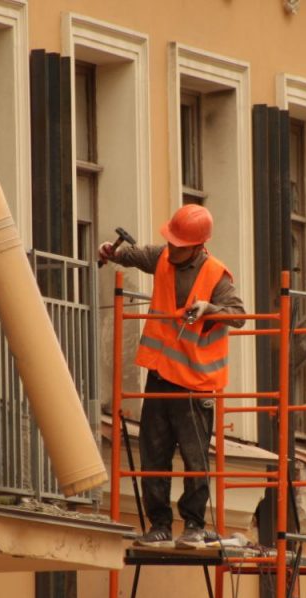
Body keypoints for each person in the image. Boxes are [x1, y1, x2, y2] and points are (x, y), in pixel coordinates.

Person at [99, 204, 245, 548]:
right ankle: (159, 525)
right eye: (172, 241)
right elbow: (136, 254)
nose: (173, 247)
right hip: (161, 376)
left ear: (197, 245)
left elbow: (238, 315)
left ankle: (194, 525)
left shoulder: (216, 275)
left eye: (180, 243)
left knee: (194, 459)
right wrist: (112, 252)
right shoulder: (163, 256)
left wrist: (209, 308)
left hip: (195, 384)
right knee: (154, 454)